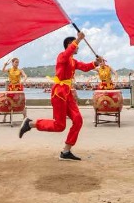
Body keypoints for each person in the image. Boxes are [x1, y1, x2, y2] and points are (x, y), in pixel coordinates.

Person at [19, 31, 101, 161]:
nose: (78, 47)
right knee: (59, 126)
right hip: (59, 93)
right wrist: (78, 40)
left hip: (68, 93)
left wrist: (96, 63)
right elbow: (67, 53)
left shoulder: (73, 61)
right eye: (75, 44)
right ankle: (31, 123)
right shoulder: (62, 56)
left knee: (78, 120)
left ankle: (66, 151)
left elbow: (85, 67)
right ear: (70, 44)